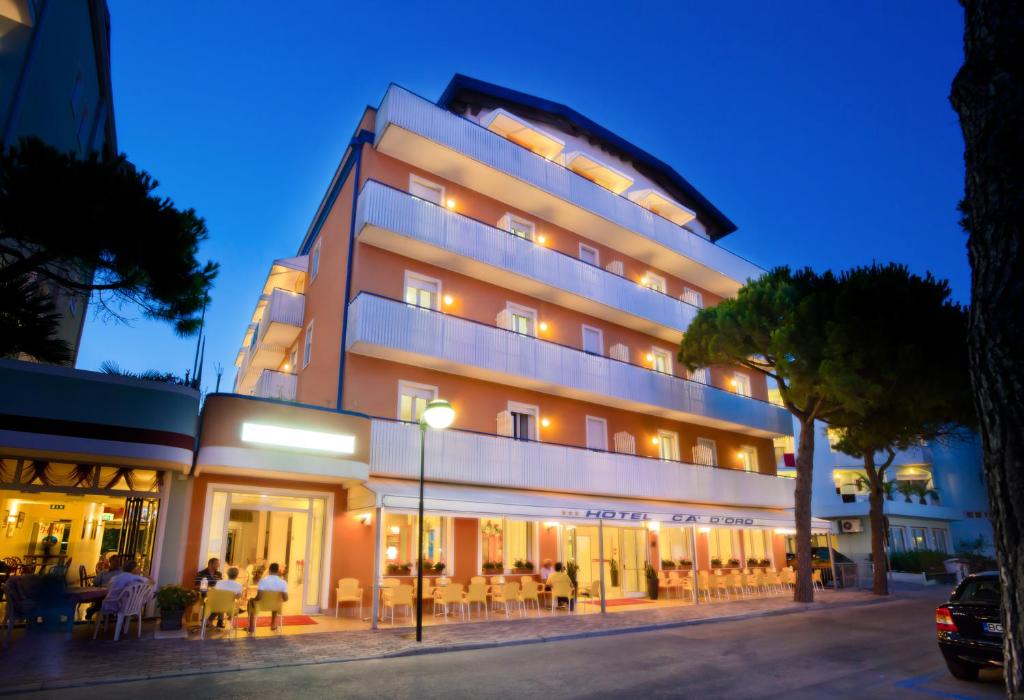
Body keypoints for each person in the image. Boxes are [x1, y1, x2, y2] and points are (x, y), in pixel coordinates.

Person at [247, 562, 288, 634]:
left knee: (250, 602)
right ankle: (273, 625)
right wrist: (279, 600)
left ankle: (251, 627)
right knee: (276, 601)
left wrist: (252, 599)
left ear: (269, 570)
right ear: (277, 571)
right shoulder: (283, 582)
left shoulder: (263, 581)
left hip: (262, 606)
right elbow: (286, 598)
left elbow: (259, 597)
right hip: (276, 606)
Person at [195, 557, 224, 627]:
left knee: (223, 599)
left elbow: (222, 585)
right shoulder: (201, 573)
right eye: (217, 564)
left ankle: (211, 620)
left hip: (216, 594)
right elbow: (196, 586)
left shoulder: (219, 574)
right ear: (210, 564)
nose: (218, 566)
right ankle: (216, 621)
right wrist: (207, 588)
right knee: (219, 602)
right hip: (205, 594)